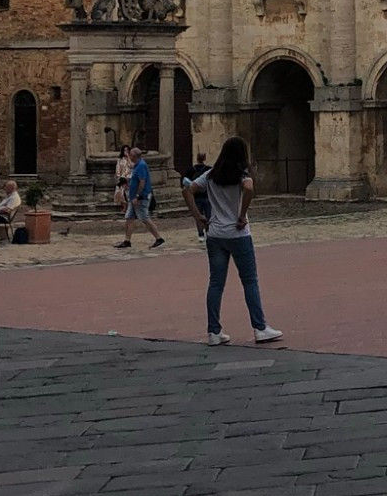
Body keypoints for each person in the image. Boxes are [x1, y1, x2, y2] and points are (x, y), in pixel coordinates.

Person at [182, 135, 281, 346]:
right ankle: (260, 327)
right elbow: (249, 188)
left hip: (215, 233)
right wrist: (242, 214)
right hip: (238, 234)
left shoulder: (210, 175)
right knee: (249, 280)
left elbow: (187, 189)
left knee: (216, 283)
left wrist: (197, 216)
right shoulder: (241, 175)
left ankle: (214, 331)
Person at [117, 148, 167, 249]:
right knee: (129, 218)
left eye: (130, 155)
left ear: (134, 156)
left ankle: (159, 238)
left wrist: (137, 196)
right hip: (133, 198)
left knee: (145, 218)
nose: (129, 156)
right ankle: (127, 241)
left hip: (140, 198)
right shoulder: (137, 165)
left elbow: (142, 182)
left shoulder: (141, 166)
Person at [182, 151, 213, 229]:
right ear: (205, 158)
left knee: (198, 216)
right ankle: (208, 230)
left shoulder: (190, 170)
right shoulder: (208, 169)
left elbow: (184, 182)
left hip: (195, 196)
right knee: (208, 215)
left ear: (197, 158)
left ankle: (200, 234)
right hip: (206, 196)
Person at [114, 144, 135, 210]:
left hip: (130, 176)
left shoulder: (131, 159)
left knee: (128, 192)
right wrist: (118, 176)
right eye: (124, 150)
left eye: (127, 150)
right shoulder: (120, 159)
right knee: (120, 190)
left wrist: (128, 157)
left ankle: (129, 206)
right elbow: (118, 168)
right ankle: (124, 205)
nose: (126, 151)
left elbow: (132, 166)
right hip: (122, 177)